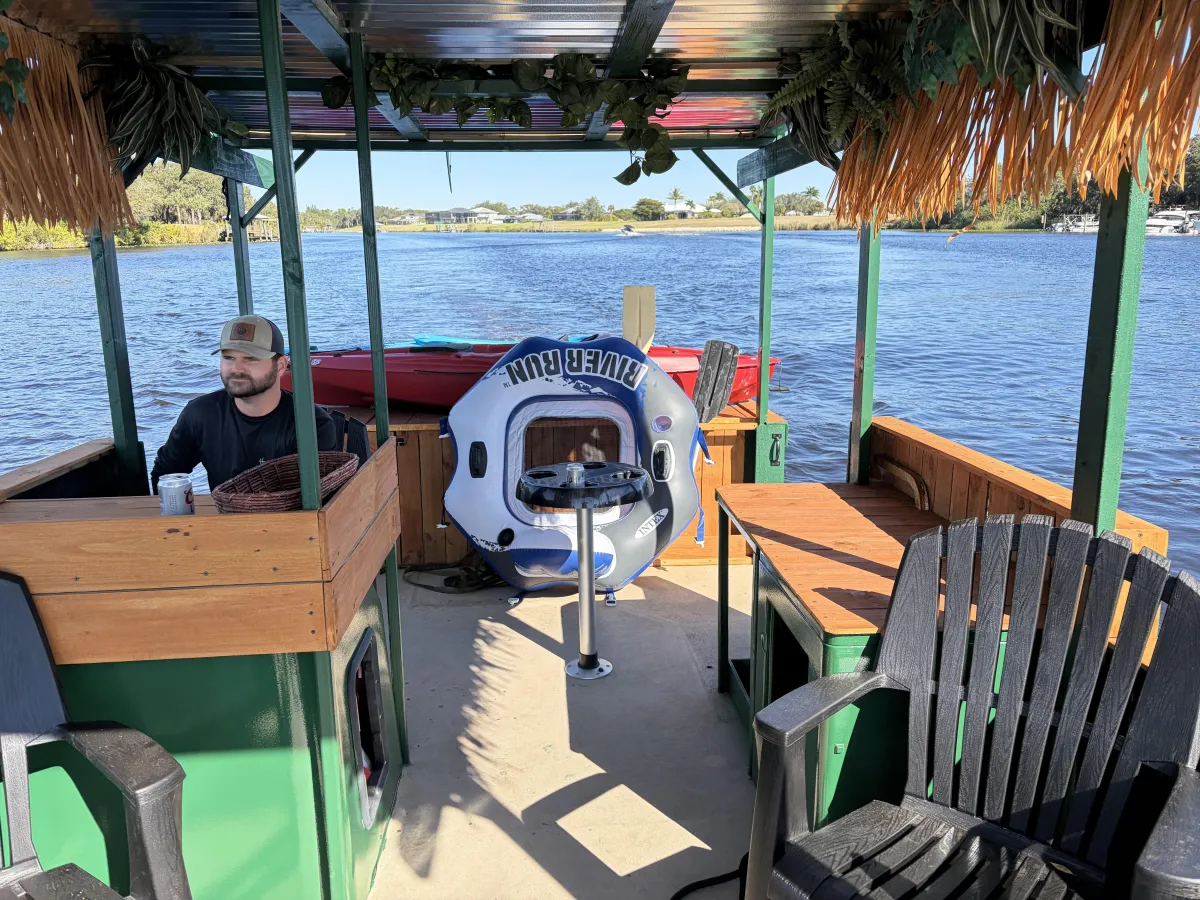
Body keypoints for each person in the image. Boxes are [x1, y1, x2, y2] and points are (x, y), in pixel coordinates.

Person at [150, 315, 338, 492]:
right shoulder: (200, 414)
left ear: (280, 365)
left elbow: (318, 499)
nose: (237, 369)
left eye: (251, 359)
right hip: (223, 514)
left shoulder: (312, 424)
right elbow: (165, 476)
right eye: (228, 358)